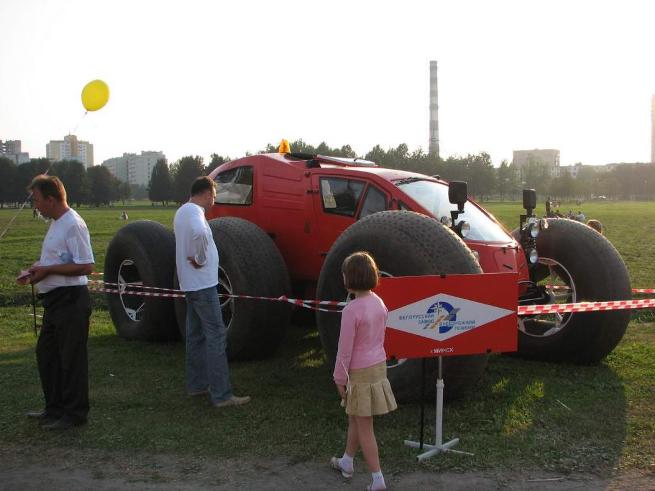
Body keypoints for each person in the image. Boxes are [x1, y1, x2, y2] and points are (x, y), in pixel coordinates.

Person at [18, 175, 94, 430]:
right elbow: (58, 260)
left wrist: (48, 271)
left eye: (37, 200)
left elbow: (86, 265)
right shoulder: (56, 223)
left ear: (50, 199)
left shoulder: (73, 224)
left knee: (71, 359)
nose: (35, 206)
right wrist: (36, 270)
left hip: (70, 300)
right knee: (47, 355)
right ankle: (54, 409)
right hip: (55, 302)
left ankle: (74, 415)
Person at [173, 176, 250, 408]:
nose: (213, 202)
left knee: (195, 335)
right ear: (206, 193)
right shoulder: (196, 214)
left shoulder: (181, 212)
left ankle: (197, 385)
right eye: (213, 196)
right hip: (203, 286)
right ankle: (222, 394)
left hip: (190, 284)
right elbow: (201, 234)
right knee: (216, 336)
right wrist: (200, 258)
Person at [330, 252, 397, 491]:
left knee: (364, 425)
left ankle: (377, 479)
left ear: (349, 279)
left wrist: (339, 378)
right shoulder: (379, 302)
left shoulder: (351, 310)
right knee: (356, 418)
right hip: (378, 367)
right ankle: (347, 461)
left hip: (359, 372)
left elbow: (344, 350)